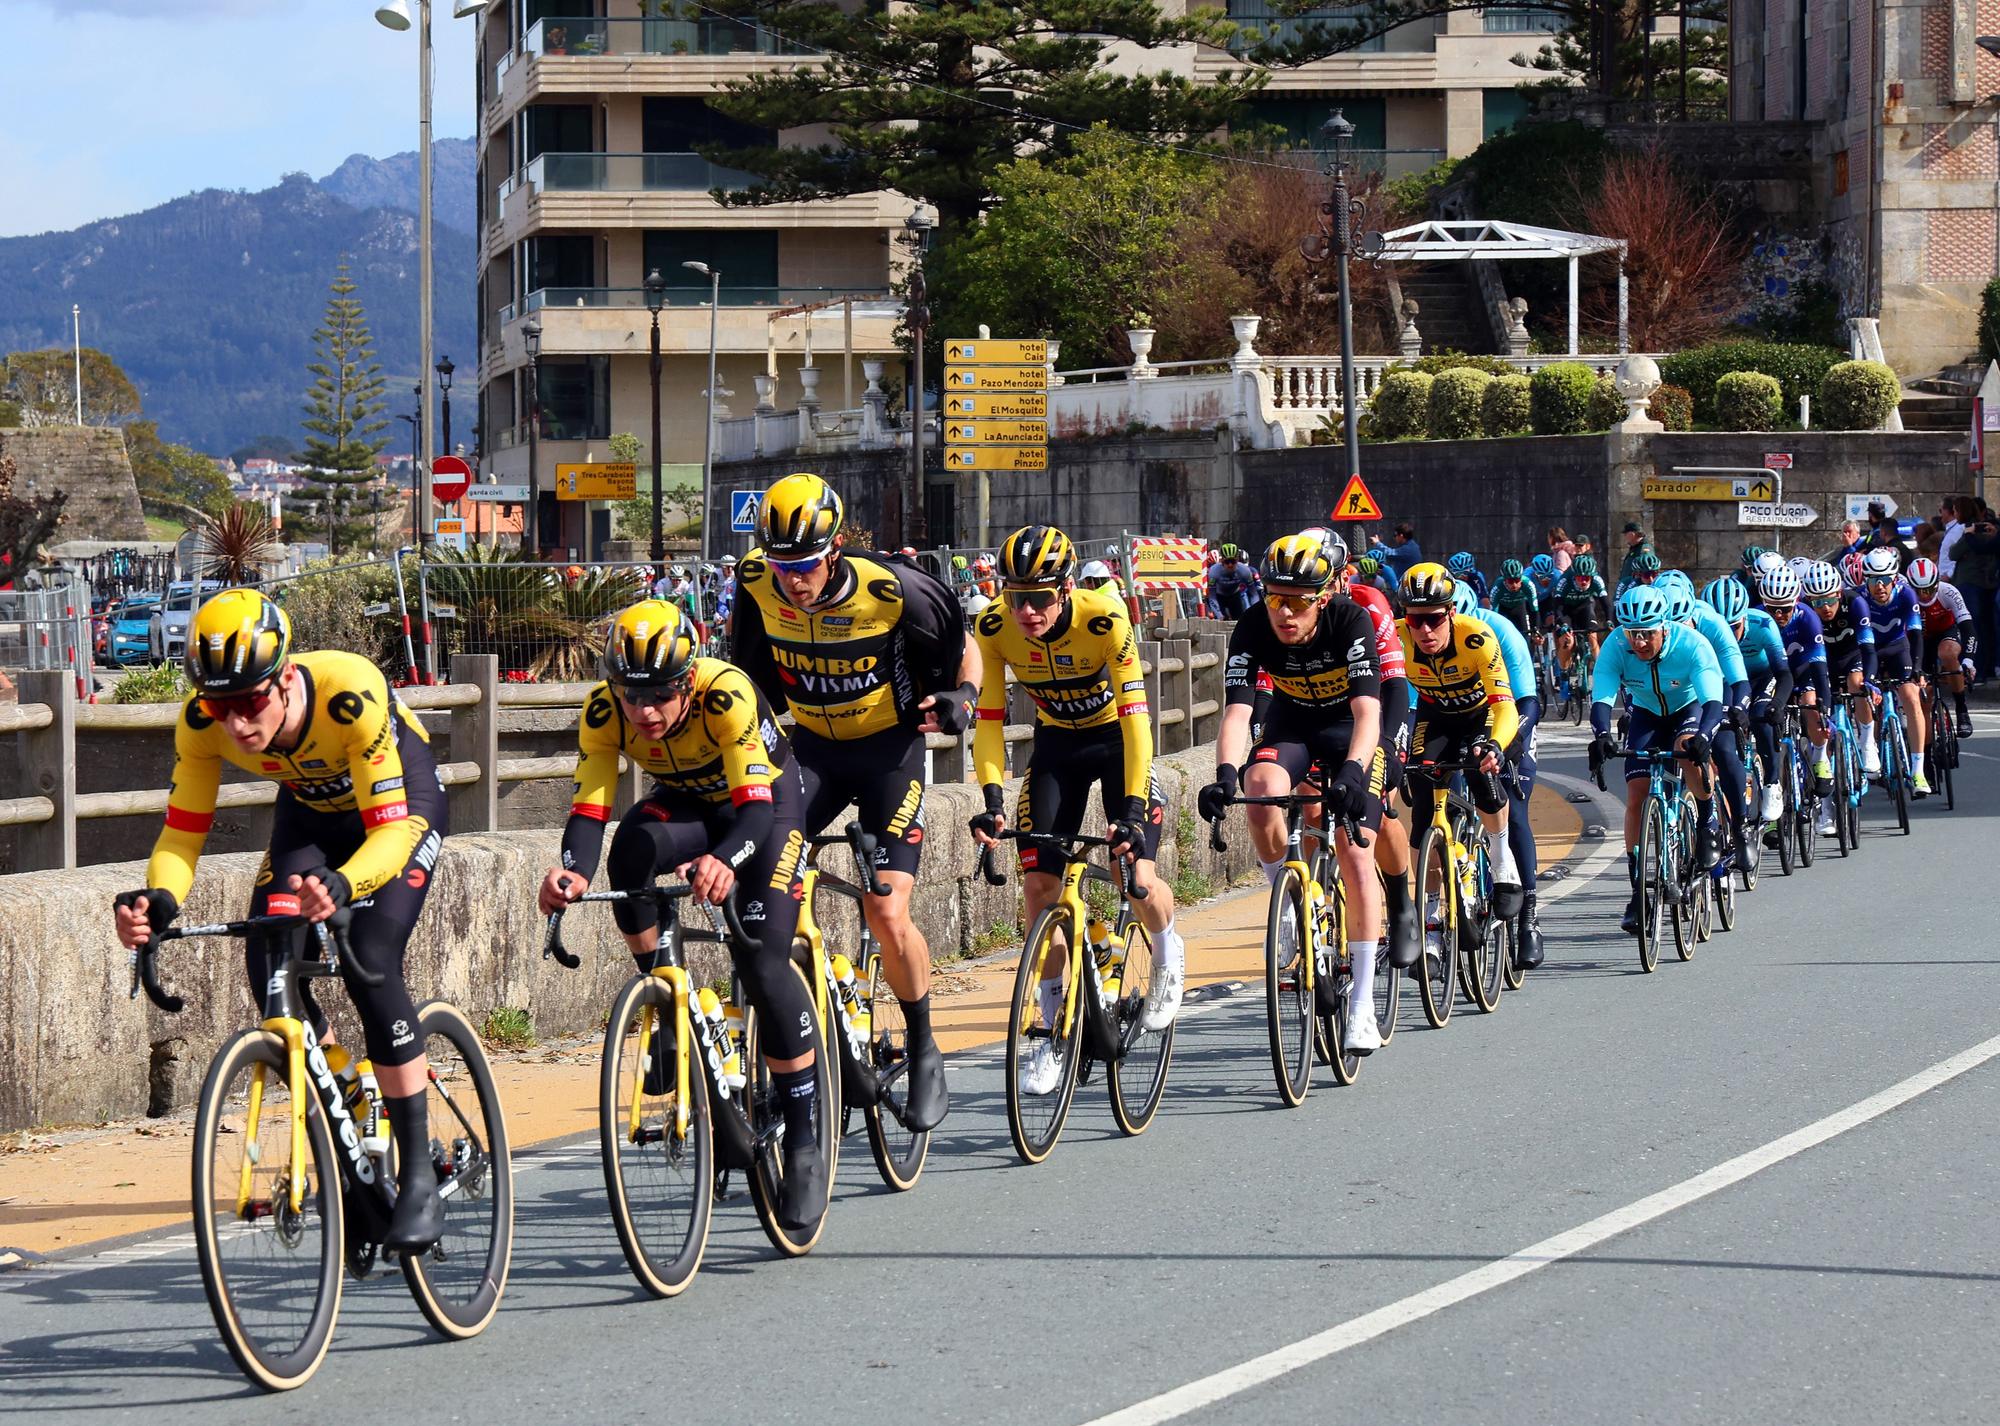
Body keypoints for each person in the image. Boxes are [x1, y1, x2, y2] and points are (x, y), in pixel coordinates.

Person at [114, 590, 451, 1251]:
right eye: (220, 704)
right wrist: (158, 902)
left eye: (251, 701)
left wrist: (347, 884)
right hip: (311, 817)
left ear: (286, 677)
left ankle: (415, 1174)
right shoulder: (201, 723)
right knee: (269, 962)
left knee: (372, 956)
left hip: (401, 810)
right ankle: (342, 1097)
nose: (237, 722)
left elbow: (386, 832)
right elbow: (182, 836)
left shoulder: (348, 694)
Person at [539, 599, 828, 1232]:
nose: (644, 711)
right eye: (630, 694)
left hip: (766, 809)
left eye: (661, 695)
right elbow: (590, 808)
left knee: (760, 960)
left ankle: (805, 1136)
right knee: (630, 852)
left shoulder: (726, 696)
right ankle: (671, 1007)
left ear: (688, 679)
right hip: (688, 802)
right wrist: (571, 872)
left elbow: (754, 815)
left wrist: (724, 860)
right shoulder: (604, 709)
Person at [726, 474, 973, 1132]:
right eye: (781, 564)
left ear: (833, 550)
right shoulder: (756, 582)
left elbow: (964, 648)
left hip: (888, 753)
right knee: (758, 878)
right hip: (810, 752)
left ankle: (923, 1046)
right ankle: (784, 1045)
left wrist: (961, 699)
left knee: (886, 909)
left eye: (804, 564)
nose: (792, 580)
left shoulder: (892, 589)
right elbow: (746, 681)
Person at [969, 526, 1186, 1097]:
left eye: (1041, 597)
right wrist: (992, 799)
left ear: (1066, 589)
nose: (1028, 611)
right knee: (1041, 888)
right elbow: (989, 721)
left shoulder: (1105, 618)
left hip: (1117, 744)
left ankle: (1167, 954)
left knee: (1134, 875)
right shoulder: (992, 626)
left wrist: (1135, 809)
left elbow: (1138, 718)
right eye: (1017, 597)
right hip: (1057, 749)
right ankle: (1051, 1033)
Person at [1202, 535, 1387, 1049]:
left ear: (1324, 596)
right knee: (1259, 792)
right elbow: (1239, 710)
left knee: (1354, 851)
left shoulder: (1351, 622)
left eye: (1298, 601)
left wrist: (1354, 770)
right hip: (1293, 724)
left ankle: (1363, 1004)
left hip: (1348, 731)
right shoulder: (1253, 626)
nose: (1283, 612)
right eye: (1274, 596)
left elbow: (1369, 712)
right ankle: (1286, 902)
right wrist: (1224, 772)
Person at [1398, 563, 1525, 950]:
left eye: (1433, 619)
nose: (1424, 630)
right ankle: (1432, 917)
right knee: (1422, 803)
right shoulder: (1396, 638)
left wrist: (1496, 746)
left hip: (1480, 715)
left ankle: (1504, 864)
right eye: (1415, 620)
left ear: (1451, 613)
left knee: (1480, 772)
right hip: (1435, 718)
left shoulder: (1477, 638)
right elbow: (1384, 697)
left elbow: (1505, 706)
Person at [1588, 586, 1723, 935]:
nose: (1640, 642)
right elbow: (1602, 695)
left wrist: (1705, 736)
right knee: (1636, 793)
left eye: (1648, 633)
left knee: (1688, 743)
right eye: (1633, 634)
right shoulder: (1617, 645)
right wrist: (1601, 735)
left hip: (1688, 709)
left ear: (1664, 627)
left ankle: (1708, 822)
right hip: (1647, 713)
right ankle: (1638, 892)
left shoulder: (1691, 644)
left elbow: (1712, 700)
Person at [1453, 580, 1545, 968]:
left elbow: (1527, 700)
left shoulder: (1501, 632)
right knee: (1451, 806)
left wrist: (1510, 741)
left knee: (1515, 811)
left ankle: (1529, 921)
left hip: (1506, 719)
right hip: (1456, 719)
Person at [1659, 569, 1751, 863]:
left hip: (1714, 685)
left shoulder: (1712, 623)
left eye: (1683, 623)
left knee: (1723, 749)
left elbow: (1738, 679)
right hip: (1675, 691)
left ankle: (1740, 826)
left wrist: (1738, 709)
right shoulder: (1650, 632)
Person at [1705, 576, 1790, 824]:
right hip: (1728, 681)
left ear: (1744, 617)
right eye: (1722, 627)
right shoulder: (1706, 629)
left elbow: (1784, 673)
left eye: (1734, 627)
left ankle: (1772, 783)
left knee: (1761, 717)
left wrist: (1779, 704)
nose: (1728, 635)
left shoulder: (1763, 623)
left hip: (1761, 677)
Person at [1858, 545, 1930, 796]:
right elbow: (1863, 647)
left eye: (1886, 579)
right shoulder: (1860, 599)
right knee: (1863, 691)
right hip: (1870, 650)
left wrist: (1918, 669)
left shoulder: (1906, 594)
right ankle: (1870, 748)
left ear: (1894, 579)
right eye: (1874, 580)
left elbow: (1917, 634)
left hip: (1898, 648)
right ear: (1866, 580)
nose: (1880, 586)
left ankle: (1919, 771)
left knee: (1911, 696)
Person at [1908, 556, 1976, 737]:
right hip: (1920, 640)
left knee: (1947, 654)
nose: (1924, 595)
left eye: (1929, 589)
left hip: (1946, 632)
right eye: (1919, 590)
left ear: (1937, 583)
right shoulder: (1905, 595)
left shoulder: (1948, 591)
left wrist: (1968, 661)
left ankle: (1961, 709)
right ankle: (1928, 754)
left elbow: (1969, 629)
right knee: (1925, 699)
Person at [1492, 559, 1540, 645]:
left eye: (1517, 580)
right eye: (1510, 581)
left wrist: (1535, 630)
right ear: (1504, 580)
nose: (1514, 585)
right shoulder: (1498, 587)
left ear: (1521, 578)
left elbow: (1534, 610)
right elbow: (1493, 613)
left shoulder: (1528, 585)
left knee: (1526, 639)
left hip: (1519, 608)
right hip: (1503, 609)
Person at [1208, 543, 1261, 619]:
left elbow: (1254, 594)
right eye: (1227, 562)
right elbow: (1212, 597)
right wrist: (1219, 615)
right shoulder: (1214, 571)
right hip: (1219, 596)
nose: (1230, 565)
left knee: (1240, 620)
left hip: (1235, 596)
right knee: (1221, 619)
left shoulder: (1244, 570)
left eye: (1233, 561)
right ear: (1222, 561)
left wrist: (1254, 611)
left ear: (1237, 560)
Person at [1615, 522, 1656, 594]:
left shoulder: (1644, 549)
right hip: (1628, 588)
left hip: (1636, 591)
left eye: (1625, 534)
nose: (1625, 537)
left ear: (1631, 534)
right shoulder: (1635, 548)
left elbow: (1647, 572)